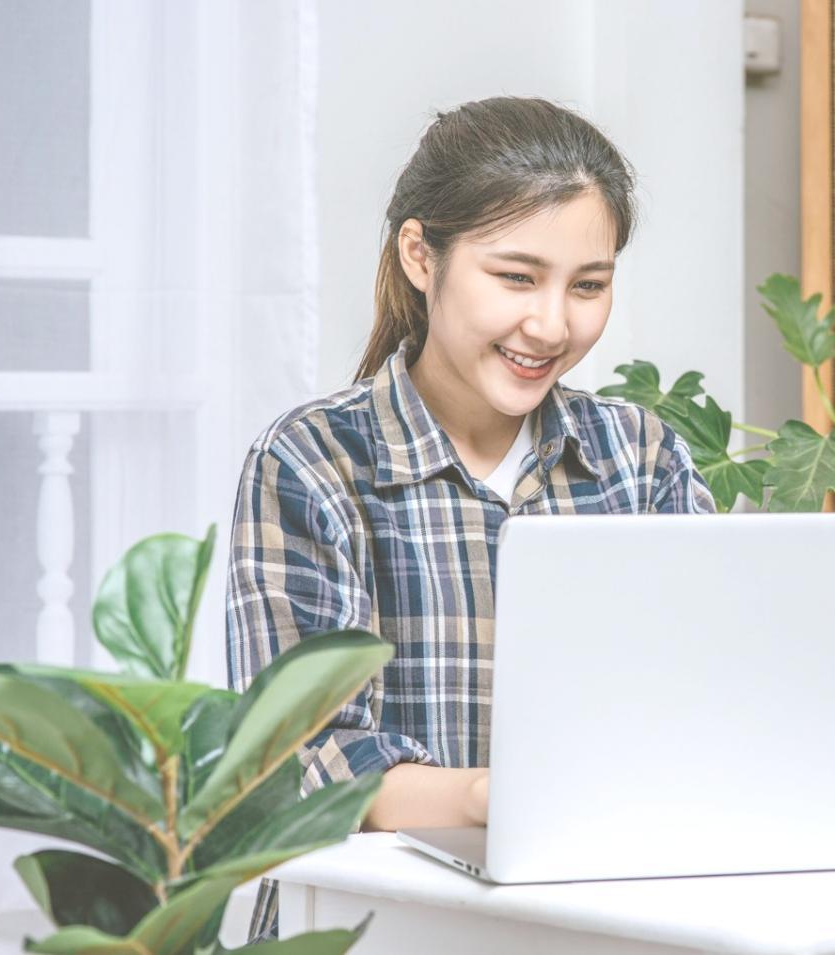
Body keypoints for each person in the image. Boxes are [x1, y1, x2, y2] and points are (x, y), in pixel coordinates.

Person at [225, 96, 716, 940]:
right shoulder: (313, 461)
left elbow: (714, 697)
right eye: (517, 277)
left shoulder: (642, 458)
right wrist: (489, 797)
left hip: (606, 916)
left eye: (588, 286)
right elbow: (299, 761)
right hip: (367, 925)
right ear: (422, 255)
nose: (552, 324)